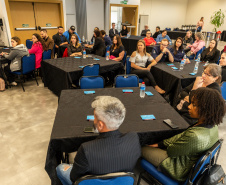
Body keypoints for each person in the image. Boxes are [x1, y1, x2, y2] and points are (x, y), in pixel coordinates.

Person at [142, 87, 225, 182]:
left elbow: (172, 151)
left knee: (140, 147)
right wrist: (160, 144)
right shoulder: (212, 126)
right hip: (185, 158)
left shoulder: (195, 136)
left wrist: (163, 145)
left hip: (177, 168)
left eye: (194, 105)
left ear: (205, 109)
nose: (189, 106)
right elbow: (181, 136)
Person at [56, 96, 141, 185]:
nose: (93, 119)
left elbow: (73, 177)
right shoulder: (134, 138)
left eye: (94, 117)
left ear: (100, 125)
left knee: (60, 168)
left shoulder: (86, 149)